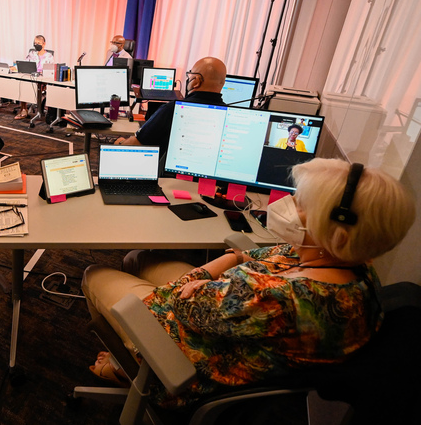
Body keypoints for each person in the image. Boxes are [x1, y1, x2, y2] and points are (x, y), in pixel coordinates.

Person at [82, 158, 415, 408]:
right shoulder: (356, 267)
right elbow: (272, 253)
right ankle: (129, 346)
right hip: (224, 315)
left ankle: (126, 365)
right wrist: (233, 260)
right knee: (140, 259)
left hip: (186, 358)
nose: (289, 206)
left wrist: (215, 272)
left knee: (95, 274)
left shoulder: (278, 300)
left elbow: (185, 301)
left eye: (302, 204)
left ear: (337, 235)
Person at [115, 56, 226, 149]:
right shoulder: (228, 116)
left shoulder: (172, 110)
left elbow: (136, 143)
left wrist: (119, 142)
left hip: (164, 174)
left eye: (190, 74)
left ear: (196, 81)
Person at [14, 35, 53, 120]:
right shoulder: (32, 54)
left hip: (42, 80)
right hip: (31, 76)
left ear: (44, 44)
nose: (36, 45)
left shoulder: (49, 56)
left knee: (27, 85)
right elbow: (26, 64)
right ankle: (24, 110)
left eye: (38, 43)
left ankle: (31, 110)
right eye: (35, 43)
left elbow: (50, 70)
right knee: (22, 83)